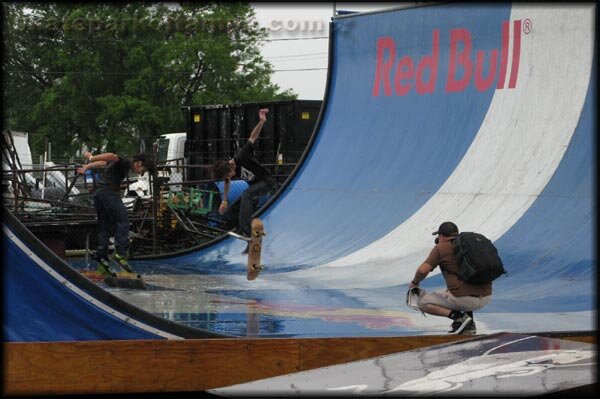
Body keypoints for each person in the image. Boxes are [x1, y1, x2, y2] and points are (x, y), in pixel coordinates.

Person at [77, 151, 155, 277]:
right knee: (123, 220)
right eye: (142, 170)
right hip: (108, 193)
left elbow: (103, 163)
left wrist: (87, 167)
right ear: (139, 163)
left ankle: (102, 260)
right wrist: (91, 158)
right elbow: (111, 156)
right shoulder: (126, 161)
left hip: (99, 194)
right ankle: (120, 253)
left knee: (105, 226)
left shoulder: (121, 165)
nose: (140, 173)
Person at [408, 222, 492, 335]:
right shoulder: (471, 246)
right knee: (466, 282)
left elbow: (423, 270)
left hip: (464, 299)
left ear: (441, 236)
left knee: (422, 302)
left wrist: (415, 283)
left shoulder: (441, 247)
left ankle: (459, 318)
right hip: (486, 297)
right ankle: (469, 323)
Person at [212, 108, 277, 253]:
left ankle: (248, 234)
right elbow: (227, 182)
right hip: (255, 189)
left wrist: (261, 121)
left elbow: (252, 137)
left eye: (229, 175)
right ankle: (247, 236)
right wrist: (225, 201)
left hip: (266, 182)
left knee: (246, 195)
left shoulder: (242, 156)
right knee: (231, 210)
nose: (230, 178)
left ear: (229, 167)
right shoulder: (229, 171)